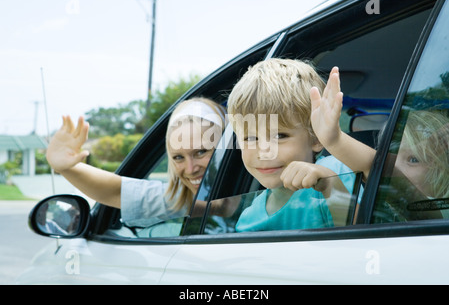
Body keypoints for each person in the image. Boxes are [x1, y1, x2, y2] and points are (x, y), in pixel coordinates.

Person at [46, 97, 227, 227]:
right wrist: (66, 167)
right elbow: (116, 191)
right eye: (178, 157)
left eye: (201, 152)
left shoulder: (254, 191)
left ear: (226, 146)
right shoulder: (183, 199)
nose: (190, 169)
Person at [226, 58, 360, 232]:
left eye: (279, 135)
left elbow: (361, 231)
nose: (264, 151)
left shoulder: (335, 172)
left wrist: (329, 186)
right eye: (251, 139)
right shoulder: (248, 219)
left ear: (316, 138)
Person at [310, 66, 449, 219]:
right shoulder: (376, 205)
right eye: (390, 154)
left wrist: (335, 140)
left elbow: (382, 171)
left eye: (413, 159)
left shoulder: (436, 211)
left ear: (443, 171)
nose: (394, 165)